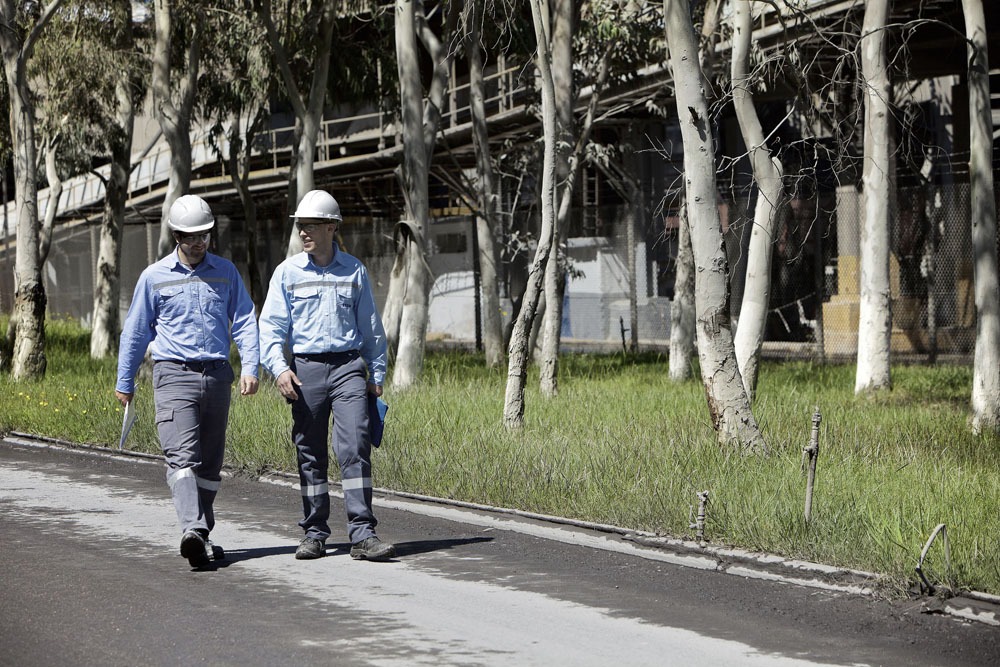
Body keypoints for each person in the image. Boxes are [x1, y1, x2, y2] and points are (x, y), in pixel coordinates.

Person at [115, 194, 259, 568]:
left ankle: (200, 535)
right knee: (182, 458)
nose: (199, 243)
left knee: (210, 465)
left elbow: (243, 319)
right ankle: (192, 528)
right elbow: (135, 333)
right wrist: (124, 380)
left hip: (216, 376)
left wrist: (250, 367)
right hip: (173, 374)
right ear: (176, 236)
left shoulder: (225, 272)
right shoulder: (154, 277)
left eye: (205, 236)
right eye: (191, 237)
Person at [258, 189, 394, 562]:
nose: (304, 232)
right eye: (300, 225)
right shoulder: (286, 273)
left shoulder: (354, 270)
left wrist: (376, 373)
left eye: (312, 225)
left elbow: (371, 327)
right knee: (311, 454)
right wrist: (280, 368)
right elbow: (270, 328)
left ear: (332, 227)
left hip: (349, 368)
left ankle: (363, 534)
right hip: (305, 372)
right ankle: (315, 533)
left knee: (354, 448)